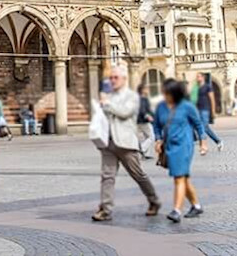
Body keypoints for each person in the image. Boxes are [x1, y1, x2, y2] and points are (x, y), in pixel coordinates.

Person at [90, 66, 161, 222]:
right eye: (111, 78)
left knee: (138, 175)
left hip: (126, 143)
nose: (113, 80)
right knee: (107, 176)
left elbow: (125, 113)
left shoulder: (132, 96)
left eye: (116, 77)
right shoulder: (109, 96)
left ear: (124, 79)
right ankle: (105, 209)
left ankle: (154, 200)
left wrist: (107, 104)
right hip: (108, 143)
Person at [151, 79, 218, 222]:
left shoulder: (187, 107)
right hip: (169, 146)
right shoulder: (161, 107)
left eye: (167, 92)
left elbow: (199, 125)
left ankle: (176, 210)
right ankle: (196, 205)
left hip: (184, 145)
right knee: (184, 178)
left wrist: (203, 142)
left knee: (179, 177)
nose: (164, 95)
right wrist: (158, 139)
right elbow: (156, 125)